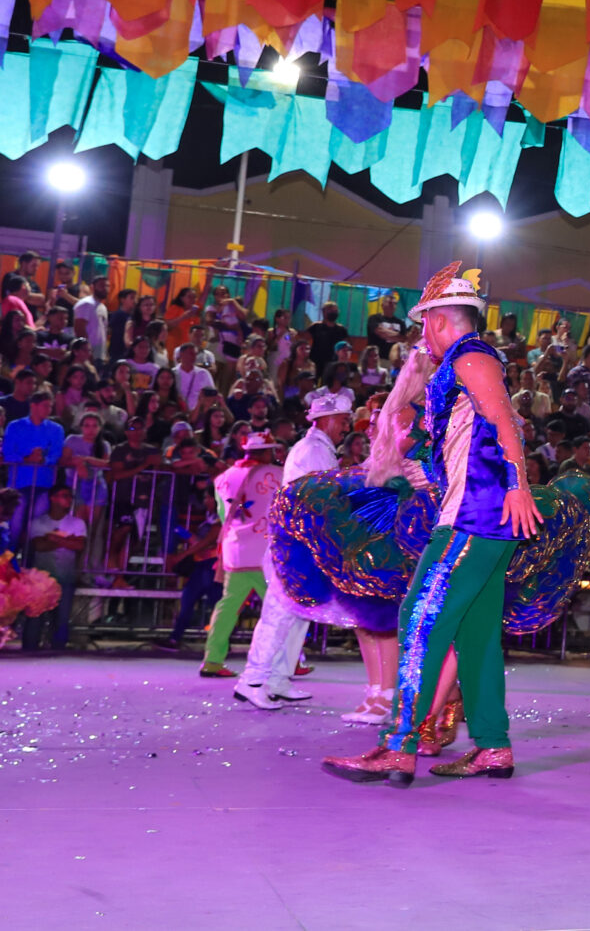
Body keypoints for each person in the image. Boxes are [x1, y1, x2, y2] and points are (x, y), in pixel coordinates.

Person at [324, 263, 540, 786]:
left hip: (474, 517)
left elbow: (503, 420)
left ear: (441, 320)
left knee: (419, 620)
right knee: (477, 634)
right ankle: (492, 747)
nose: (420, 335)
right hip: (483, 518)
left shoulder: (470, 355)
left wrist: (517, 483)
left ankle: (397, 746)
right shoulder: (462, 364)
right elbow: (472, 432)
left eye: (424, 324)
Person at [234, 390, 353, 710]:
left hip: (302, 542)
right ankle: (253, 679)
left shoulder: (318, 448)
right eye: (344, 420)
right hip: (295, 543)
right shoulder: (314, 450)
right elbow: (322, 498)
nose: (347, 426)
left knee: (298, 613)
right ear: (326, 420)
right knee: (279, 612)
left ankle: (277, 678)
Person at [201, 434, 285, 680]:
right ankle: (287, 662)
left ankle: (212, 660)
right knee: (279, 609)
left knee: (227, 606)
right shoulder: (277, 474)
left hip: (235, 552)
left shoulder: (223, 478)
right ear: (268, 451)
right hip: (265, 552)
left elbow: (221, 514)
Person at [18, 483, 86, 651]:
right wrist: (66, 541)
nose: (69, 500)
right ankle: (30, 648)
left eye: (70, 496)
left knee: (62, 617)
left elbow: (79, 546)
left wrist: (53, 539)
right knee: (35, 615)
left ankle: (58, 650)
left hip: (65, 576)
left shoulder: (77, 522)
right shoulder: (38, 522)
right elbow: (38, 546)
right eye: (65, 496)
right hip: (41, 578)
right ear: (53, 498)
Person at [3, 389, 66, 544]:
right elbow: (8, 452)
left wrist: (44, 460)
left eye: (50, 406)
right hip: (19, 483)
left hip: (44, 484)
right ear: (33, 406)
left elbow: (57, 454)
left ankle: (30, 562)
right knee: (15, 526)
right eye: (45, 406)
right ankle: (9, 562)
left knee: (37, 528)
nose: (48, 410)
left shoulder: (56, 429)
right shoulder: (15, 426)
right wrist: (27, 458)